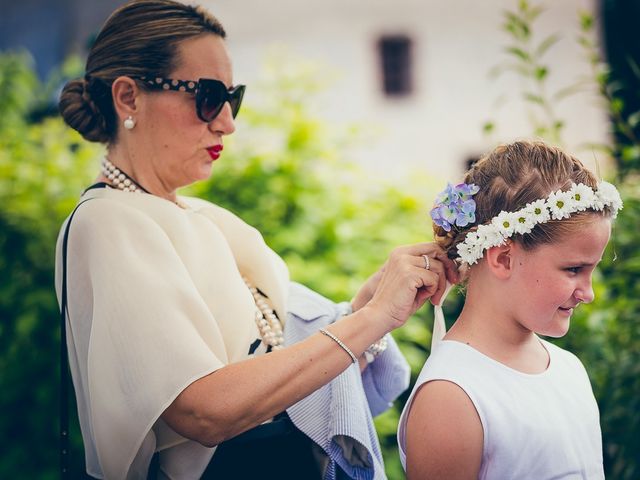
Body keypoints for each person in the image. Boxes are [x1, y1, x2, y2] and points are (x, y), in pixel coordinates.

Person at [54, 1, 459, 479]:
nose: (227, 121)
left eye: (232, 97)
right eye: (206, 96)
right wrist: (371, 320)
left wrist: (364, 308)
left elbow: (271, 356)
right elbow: (203, 410)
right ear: (128, 97)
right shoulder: (107, 222)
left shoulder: (202, 217)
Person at [397, 140, 623, 479]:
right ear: (503, 258)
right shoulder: (452, 396)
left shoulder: (568, 367)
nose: (588, 293)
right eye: (573, 270)